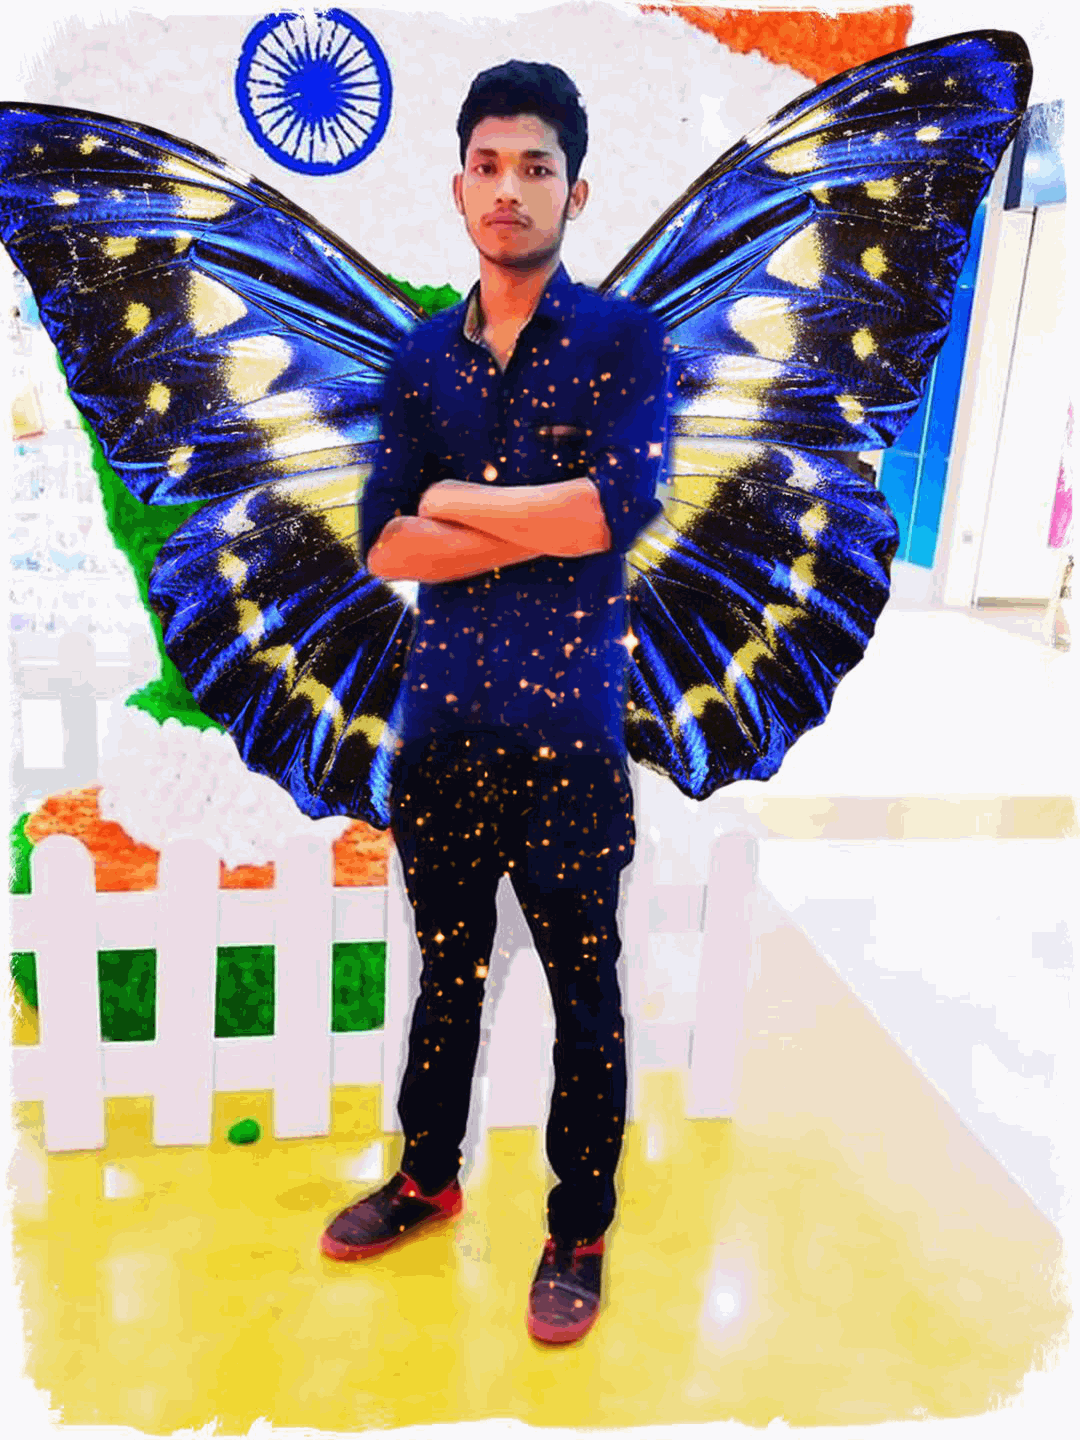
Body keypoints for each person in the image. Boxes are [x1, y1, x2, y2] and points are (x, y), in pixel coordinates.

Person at [321, 59, 671, 1345]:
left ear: (577, 191)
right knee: (446, 977)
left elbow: (610, 514)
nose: (509, 188)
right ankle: (428, 1176)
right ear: (457, 187)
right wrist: (526, 515)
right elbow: (384, 543)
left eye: (536, 166)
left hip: (572, 736)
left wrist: (455, 498)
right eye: (488, 165)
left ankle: (579, 1226)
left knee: (586, 991)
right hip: (444, 733)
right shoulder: (420, 359)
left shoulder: (625, 343)